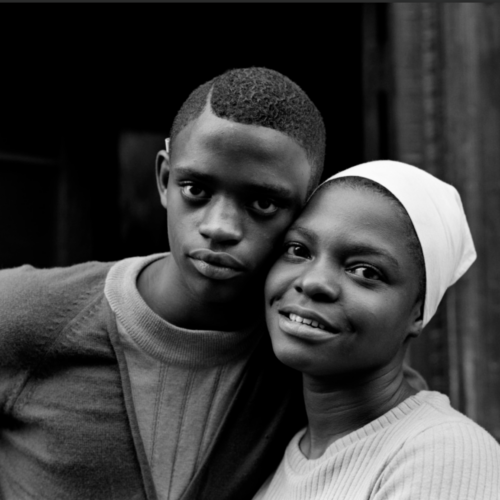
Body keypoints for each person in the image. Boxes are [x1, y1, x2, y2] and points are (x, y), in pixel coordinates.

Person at [0, 68, 422, 500]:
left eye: (263, 203)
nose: (220, 227)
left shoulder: (313, 359)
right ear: (165, 179)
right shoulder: (25, 314)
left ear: (304, 212)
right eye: (196, 189)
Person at [254, 160, 500, 500]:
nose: (313, 283)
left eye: (366, 271)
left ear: (419, 312)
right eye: (298, 250)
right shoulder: (276, 460)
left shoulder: (443, 455)